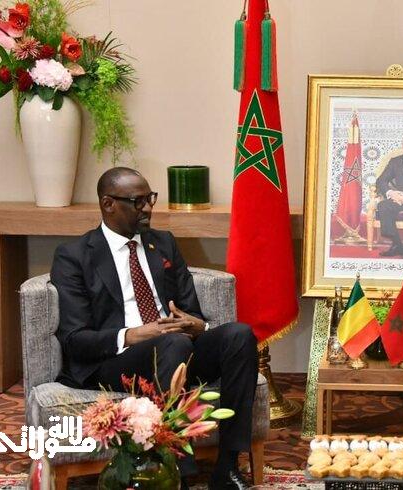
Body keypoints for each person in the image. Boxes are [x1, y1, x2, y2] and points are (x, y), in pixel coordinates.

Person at [51, 167, 258, 490]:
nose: (148, 208)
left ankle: (228, 467)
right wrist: (135, 334)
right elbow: (75, 339)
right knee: (173, 343)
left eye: (150, 199)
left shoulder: (163, 243)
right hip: (117, 360)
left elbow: (190, 311)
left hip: (177, 349)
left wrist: (198, 325)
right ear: (108, 204)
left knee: (239, 335)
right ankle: (178, 474)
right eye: (138, 202)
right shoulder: (74, 256)